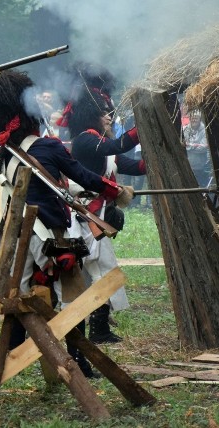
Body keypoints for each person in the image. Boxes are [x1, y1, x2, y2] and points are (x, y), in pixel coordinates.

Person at [0, 69, 133, 374]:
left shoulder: (6, 154)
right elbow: (84, 176)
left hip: (17, 232)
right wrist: (117, 191)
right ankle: (79, 362)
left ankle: (13, 352)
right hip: (50, 234)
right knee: (72, 299)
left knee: (17, 294)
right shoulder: (48, 147)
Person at [66, 78, 145, 344]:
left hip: (96, 216)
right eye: (104, 113)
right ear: (91, 116)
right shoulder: (86, 141)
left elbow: (135, 166)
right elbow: (118, 145)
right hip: (86, 216)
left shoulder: (102, 146)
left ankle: (98, 329)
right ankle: (97, 331)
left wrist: (162, 151)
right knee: (101, 271)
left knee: (98, 272)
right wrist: (142, 124)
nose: (109, 118)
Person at [182, 109, 211, 187]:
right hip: (189, 167)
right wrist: (194, 146)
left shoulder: (205, 130)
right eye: (192, 118)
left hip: (202, 167)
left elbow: (204, 147)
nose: (194, 120)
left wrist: (188, 146)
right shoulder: (185, 130)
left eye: (196, 118)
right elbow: (181, 145)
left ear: (199, 119)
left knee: (204, 189)